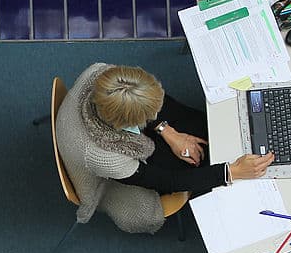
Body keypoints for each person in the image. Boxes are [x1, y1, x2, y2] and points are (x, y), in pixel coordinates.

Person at [54, 63, 275, 233]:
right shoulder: (105, 157)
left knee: (190, 122)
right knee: (191, 167)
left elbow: (159, 109)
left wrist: (168, 132)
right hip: (106, 172)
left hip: (100, 126)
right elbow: (168, 182)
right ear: (128, 124)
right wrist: (231, 172)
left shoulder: (105, 73)